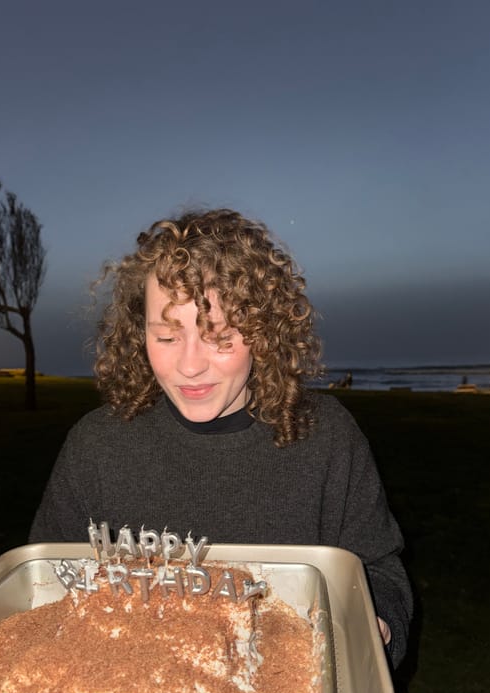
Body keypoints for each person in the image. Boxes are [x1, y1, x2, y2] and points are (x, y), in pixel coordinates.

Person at [30, 207, 413, 668]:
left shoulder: (327, 437)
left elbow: (379, 570)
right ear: (139, 334)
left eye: (220, 336)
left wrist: (378, 624)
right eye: (167, 338)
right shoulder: (96, 447)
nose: (190, 366)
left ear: (263, 332)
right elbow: (44, 585)